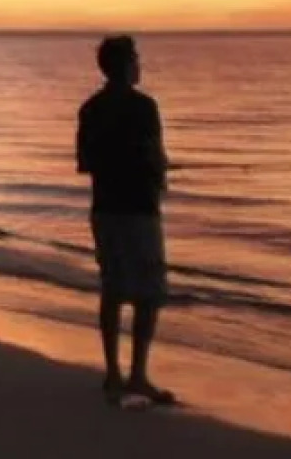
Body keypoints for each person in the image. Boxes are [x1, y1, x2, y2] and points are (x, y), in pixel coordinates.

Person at [76, 35, 175, 406]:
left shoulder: (90, 109)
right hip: (138, 209)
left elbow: (85, 163)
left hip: (104, 209)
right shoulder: (145, 107)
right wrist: (159, 171)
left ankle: (113, 376)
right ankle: (137, 375)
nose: (139, 64)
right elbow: (154, 158)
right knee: (148, 294)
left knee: (113, 290)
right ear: (124, 64)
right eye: (136, 58)